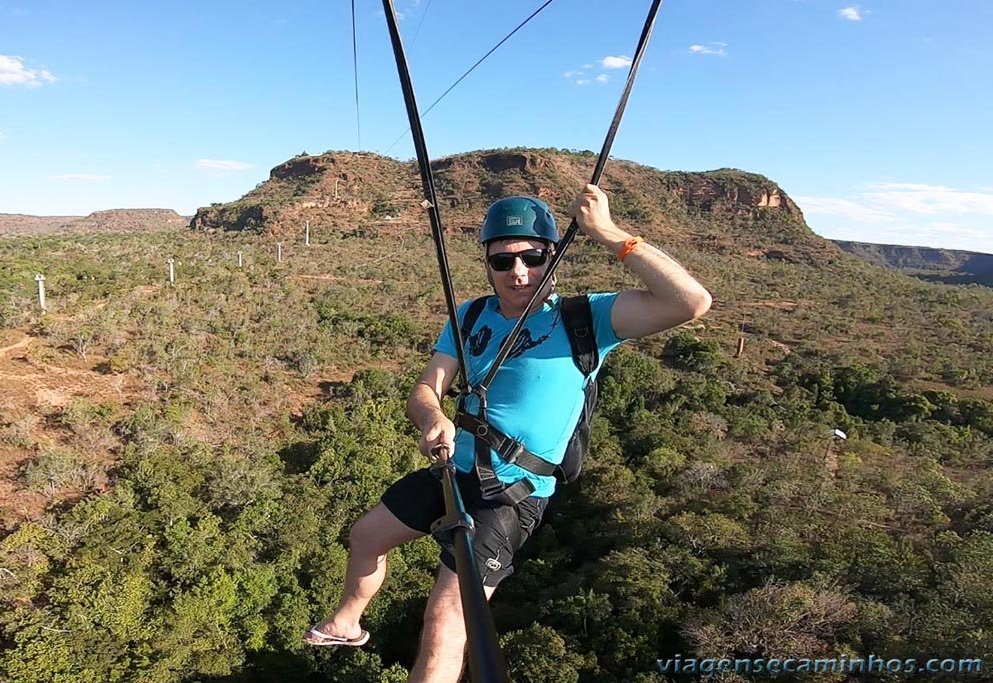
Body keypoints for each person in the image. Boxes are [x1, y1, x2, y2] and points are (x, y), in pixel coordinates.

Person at [304, 184, 712, 682]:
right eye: (503, 262)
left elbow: (691, 302)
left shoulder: (587, 318)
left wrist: (610, 234)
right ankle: (347, 624)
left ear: (553, 256)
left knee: (447, 616)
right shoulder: (470, 315)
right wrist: (434, 418)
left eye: (533, 257)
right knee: (366, 536)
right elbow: (426, 389)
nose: (518, 273)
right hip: (453, 467)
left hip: (511, 495)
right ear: (488, 264)